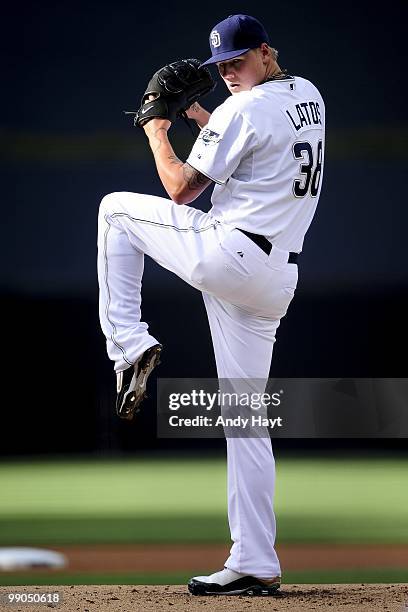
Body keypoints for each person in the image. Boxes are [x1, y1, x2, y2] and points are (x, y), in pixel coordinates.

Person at [97, 13, 325, 596]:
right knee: (246, 420)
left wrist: (156, 127)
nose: (228, 71)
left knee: (115, 211)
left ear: (266, 52)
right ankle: (256, 559)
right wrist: (205, 122)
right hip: (275, 279)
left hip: (231, 255)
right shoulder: (308, 96)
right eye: (220, 63)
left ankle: (128, 346)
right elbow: (260, 157)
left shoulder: (241, 110)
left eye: (238, 60)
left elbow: (179, 188)